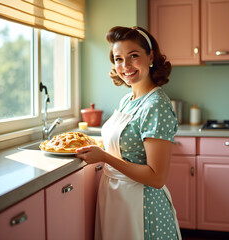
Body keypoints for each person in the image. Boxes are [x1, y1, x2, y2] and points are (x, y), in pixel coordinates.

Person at [76, 26, 181, 240]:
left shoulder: (156, 105)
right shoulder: (127, 100)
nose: (125, 66)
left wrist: (103, 156)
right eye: (118, 59)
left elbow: (157, 177)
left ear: (150, 56)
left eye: (133, 56)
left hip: (142, 207)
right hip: (116, 197)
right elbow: (124, 144)